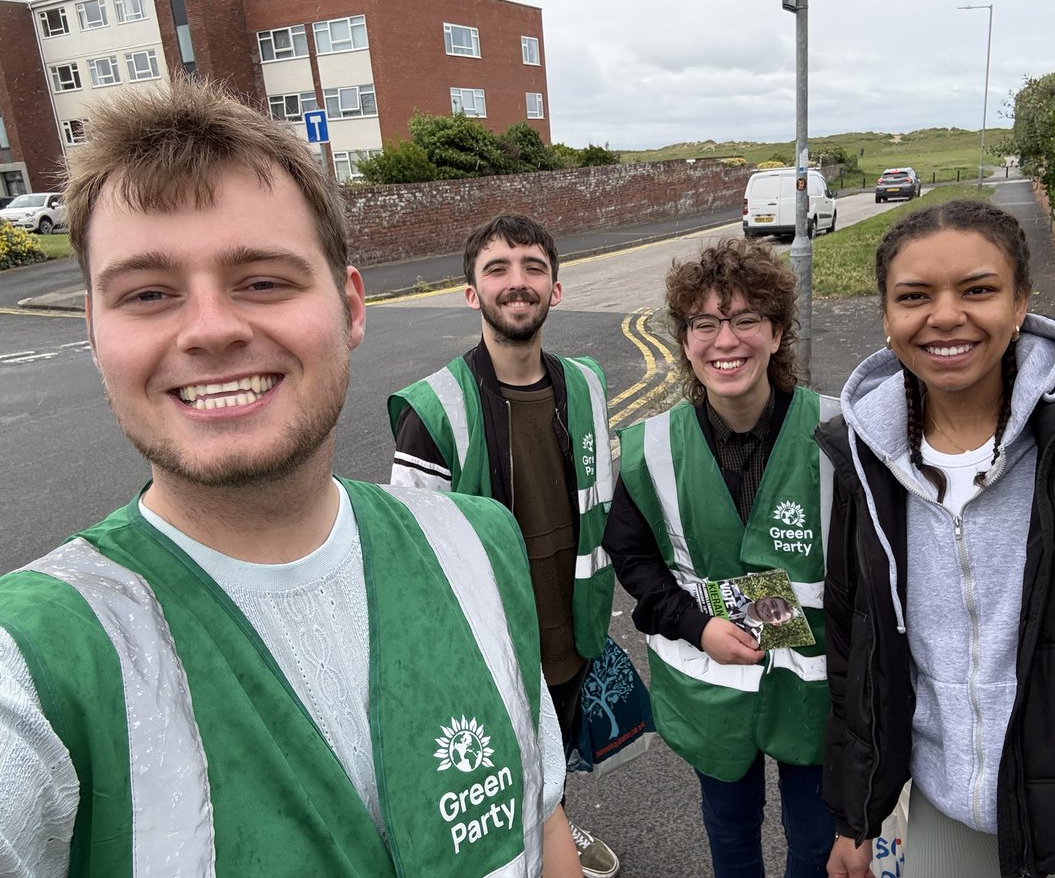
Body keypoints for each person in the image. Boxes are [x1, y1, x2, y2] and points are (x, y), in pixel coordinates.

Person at [0, 79, 581, 878]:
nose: (210, 329)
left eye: (263, 280)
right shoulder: (33, 659)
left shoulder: (479, 541)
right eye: (147, 293)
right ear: (95, 333)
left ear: (350, 307)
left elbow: (541, 818)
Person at [818, 199, 1055, 878]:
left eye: (978, 290)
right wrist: (858, 816)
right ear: (886, 317)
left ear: (1022, 301)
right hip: (947, 818)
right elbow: (855, 647)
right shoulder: (865, 453)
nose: (944, 315)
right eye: (914, 296)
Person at [387, 213, 619, 878]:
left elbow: (602, 500)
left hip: (570, 631)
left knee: (555, 759)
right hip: (488, 647)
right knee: (497, 775)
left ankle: (558, 833)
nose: (517, 283)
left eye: (533, 268)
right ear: (471, 293)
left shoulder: (588, 384)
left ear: (556, 289)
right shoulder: (432, 410)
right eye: (498, 269)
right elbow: (413, 560)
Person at [603, 237, 839, 878]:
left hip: (814, 690)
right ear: (684, 340)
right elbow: (632, 556)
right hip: (712, 687)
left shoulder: (837, 436)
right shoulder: (648, 449)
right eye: (705, 323)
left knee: (815, 845)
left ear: (777, 331)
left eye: (745, 320)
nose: (725, 341)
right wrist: (695, 625)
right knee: (731, 839)